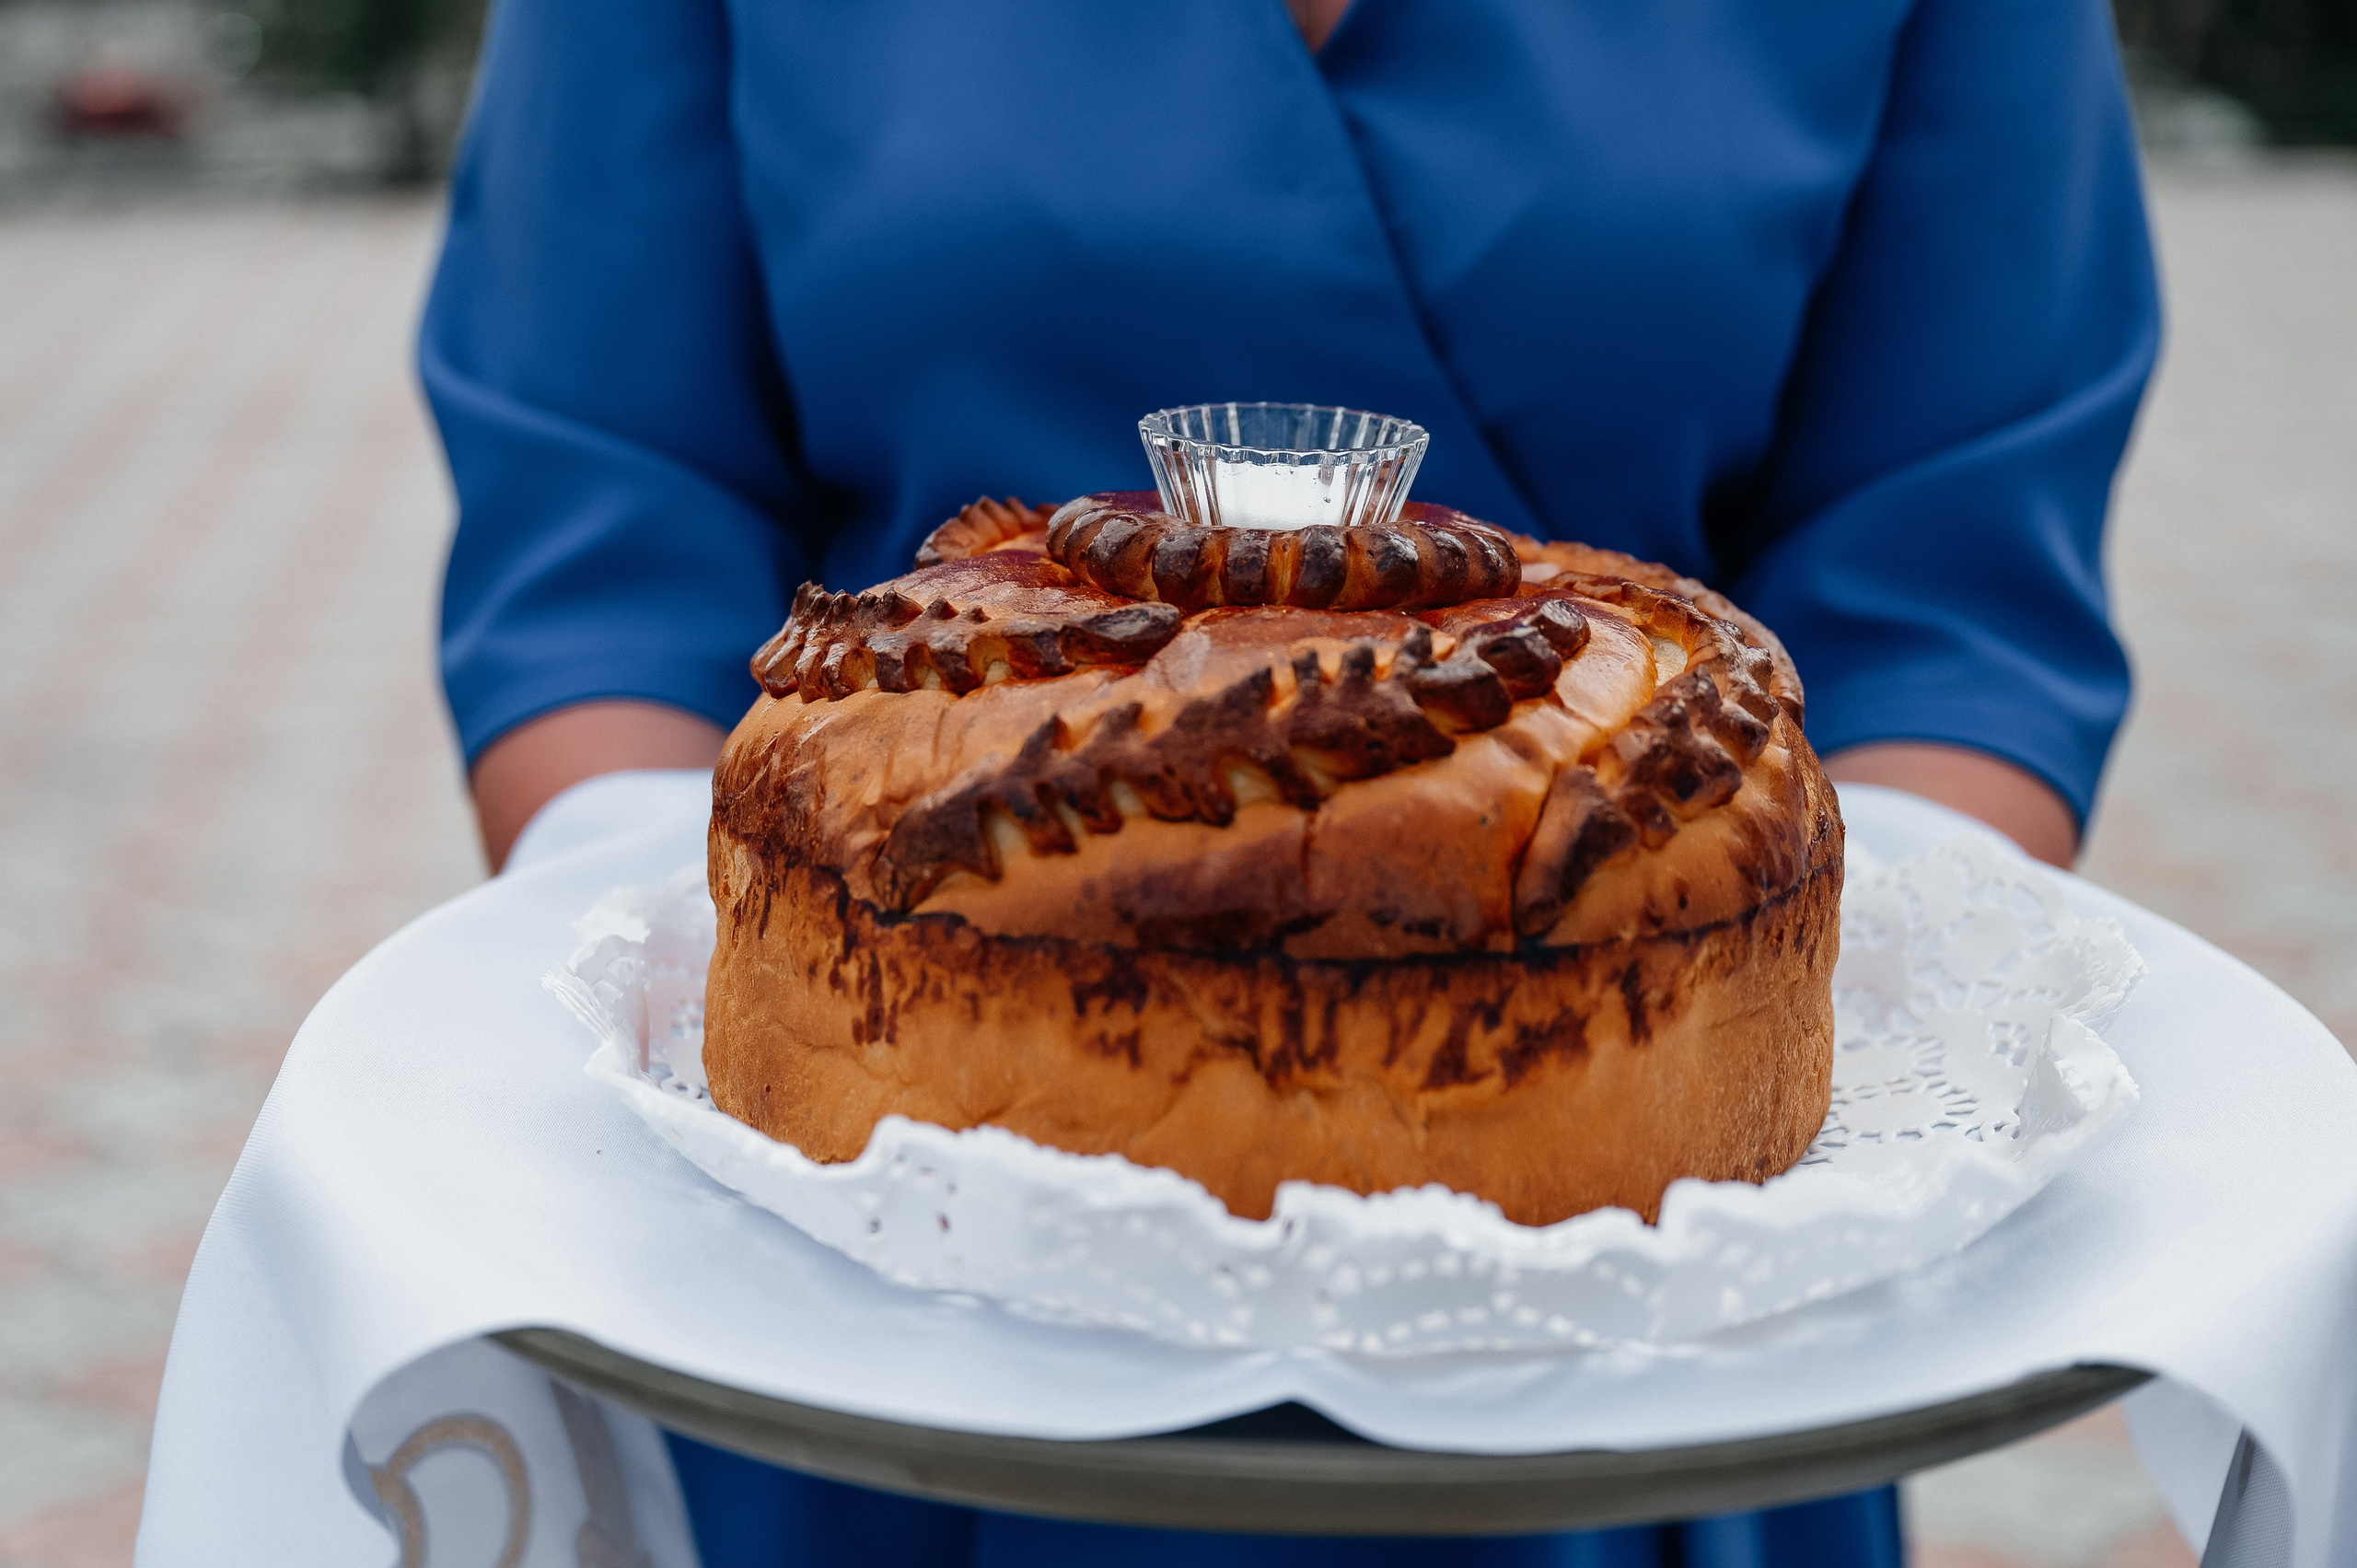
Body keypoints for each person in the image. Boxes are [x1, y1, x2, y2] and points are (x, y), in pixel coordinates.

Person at [419, 0, 2158, 1561]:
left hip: (1658, 1364)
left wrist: (1892, 1024)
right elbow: (604, 514)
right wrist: (671, 971)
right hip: (849, 1329)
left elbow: (1952, 568)